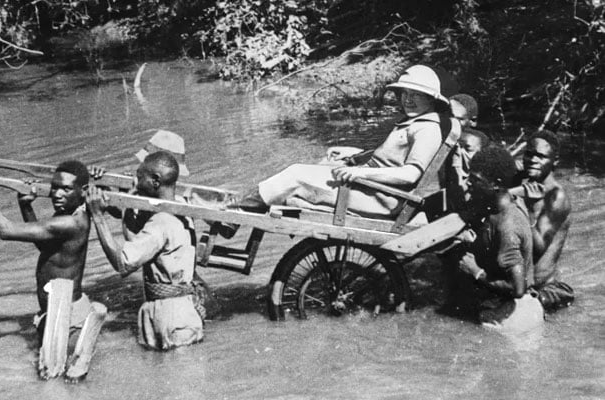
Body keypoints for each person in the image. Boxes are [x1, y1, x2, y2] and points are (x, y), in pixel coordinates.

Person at [230, 64, 459, 219]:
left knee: (295, 173)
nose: (407, 100)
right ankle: (253, 202)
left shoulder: (428, 129)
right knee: (328, 159)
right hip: (375, 189)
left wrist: (361, 173)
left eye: (416, 95)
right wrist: (353, 156)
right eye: (404, 93)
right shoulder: (416, 122)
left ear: (431, 99)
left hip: (382, 197)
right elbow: (389, 158)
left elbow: (410, 174)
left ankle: (236, 211)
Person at [0, 160, 106, 382]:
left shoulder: (69, 223)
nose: (57, 194)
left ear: (83, 192)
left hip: (67, 316)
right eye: (54, 187)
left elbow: (6, 231)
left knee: (54, 382)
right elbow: (45, 247)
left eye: (66, 189)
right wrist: (26, 206)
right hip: (60, 310)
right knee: (56, 379)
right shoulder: (71, 214)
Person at [87, 151, 204, 350]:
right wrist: (103, 186)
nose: (134, 181)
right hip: (177, 309)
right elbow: (135, 233)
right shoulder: (181, 207)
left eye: (139, 177)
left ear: (155, 181)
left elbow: (122, 263)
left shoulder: (159, 224)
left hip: (171, 315)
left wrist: (98, 216)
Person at [451, 146, 543, 329]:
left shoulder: (507, 226)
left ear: (496, 184)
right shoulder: (503, 206)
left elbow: (518, 288)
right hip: (514, 311)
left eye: (475, 179)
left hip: (513, 318)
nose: (468, 183)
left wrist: (476, 271)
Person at [510, 130, 573, 311]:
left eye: (540, 156)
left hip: (541, 287)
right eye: (529, 154)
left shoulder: (556, 197)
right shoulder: (522, 181)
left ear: (555, 162)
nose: (533, 160)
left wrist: (522, 204)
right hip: (520, 278)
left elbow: (537, 247)